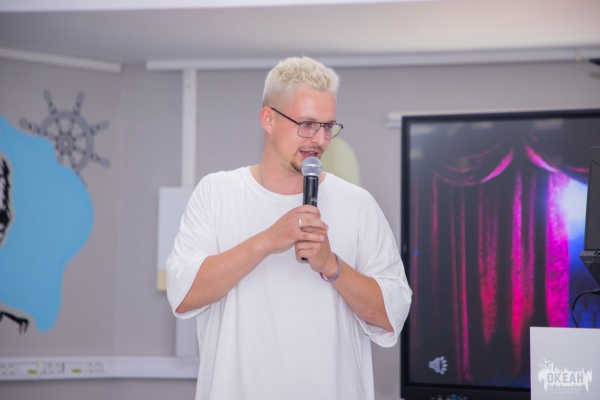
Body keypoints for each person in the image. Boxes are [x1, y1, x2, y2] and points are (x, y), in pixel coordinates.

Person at [166, 56, 412, 400]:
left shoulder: (359, 204)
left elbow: (390, 316)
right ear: (269, 119)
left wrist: (332, 266)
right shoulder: (217, 192)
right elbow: (183, 296)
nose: (320, 139)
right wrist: (268, 241)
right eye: (307, 124)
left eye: (328, 126)